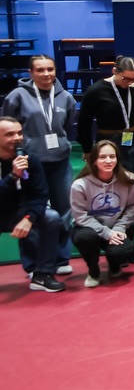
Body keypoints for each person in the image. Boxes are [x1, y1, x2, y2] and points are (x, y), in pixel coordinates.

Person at [4, 55, 77, 277]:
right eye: (40, 70)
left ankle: (61, 258)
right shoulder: (17, 96)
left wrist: (62, 144)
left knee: (64, 211)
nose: (46, 74)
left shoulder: (65, 97)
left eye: (50, 69)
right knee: (31, 212)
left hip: (60, 162)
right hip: (30, 163)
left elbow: (67, 126)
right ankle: (33, 264)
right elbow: (7, 126)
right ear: (31, 73)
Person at [1, 115, 67, 291]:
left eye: (19, 133)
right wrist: (13, 176)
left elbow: (40, 195)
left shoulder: (30, 159)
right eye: (9, 134)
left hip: (20, 212)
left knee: (51, 217)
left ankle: (43, 274)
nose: (17, 138)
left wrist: (29, 218)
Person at [68, 140, 134, 287]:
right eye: (102, 157)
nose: (108, 161)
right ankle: (93, 271)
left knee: (122, 250)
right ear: (94, 161)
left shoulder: (130, 179)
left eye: (112, 156)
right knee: (84, 238)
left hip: (116, 228)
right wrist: (107, 233)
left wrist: (120, 228)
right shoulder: (79, 185)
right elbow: (80, 216)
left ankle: (115, 266)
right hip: (90, 229)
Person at [77, 58, 134, 194]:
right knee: (114, 183)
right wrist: (87, 149)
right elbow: (84, 122)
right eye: (125, 78)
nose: (130, 82)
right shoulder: (95, 91)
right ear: (114, 71)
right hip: (109, 141)